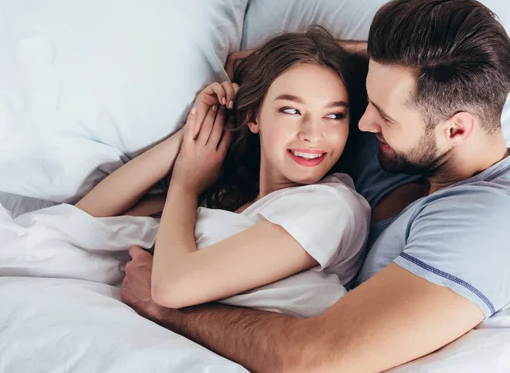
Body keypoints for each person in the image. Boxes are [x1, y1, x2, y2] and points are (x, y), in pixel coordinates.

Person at [120, 0, 510, 372]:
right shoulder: (411, 144)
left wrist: (165, 309)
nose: (365, 123)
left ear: (456, 129)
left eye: (382, 115)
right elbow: (249, 66)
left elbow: (314, 361)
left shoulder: (493, 226)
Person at [76, 27, 371, 317]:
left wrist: (185, 186)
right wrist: (201, 128)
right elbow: (82, 220)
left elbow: (172, 288)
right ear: (253, 117)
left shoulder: (333, 206)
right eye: (291, 110)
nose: (313, 134)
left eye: (334, 115)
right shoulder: (226, 197)